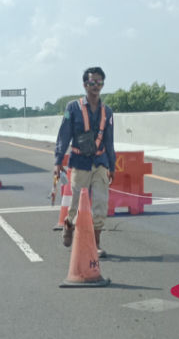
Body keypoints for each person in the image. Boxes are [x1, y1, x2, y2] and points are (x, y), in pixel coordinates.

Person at [53, 66, 115, 257]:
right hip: (79, 162)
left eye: (99, 82)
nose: (95, 86)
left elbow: (109, 140)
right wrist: (58, 161)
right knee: (75, 204)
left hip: (100, 162)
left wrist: (112, 166)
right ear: (85, 84)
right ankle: (69, 225)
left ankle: (95, 244)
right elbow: (64, 134)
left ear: (102, 84)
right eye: (91, 82)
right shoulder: (73, 107)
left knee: (100, 203)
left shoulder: (108, 111)